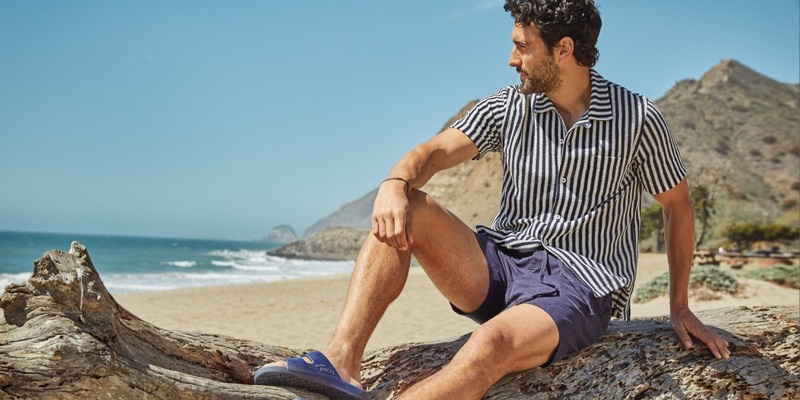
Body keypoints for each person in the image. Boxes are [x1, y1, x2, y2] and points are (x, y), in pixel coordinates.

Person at [254, 1, 731, 399]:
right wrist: (393, 184)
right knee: (409, 207)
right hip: (501, 264)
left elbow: (677, 207)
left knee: (488, 348)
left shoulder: (637, 118)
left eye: (522, 47)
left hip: (579, 286)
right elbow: (434, 152)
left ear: (563, 50)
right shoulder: (511, 105)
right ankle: (341, 361)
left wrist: (680, 306)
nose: (511, 58)